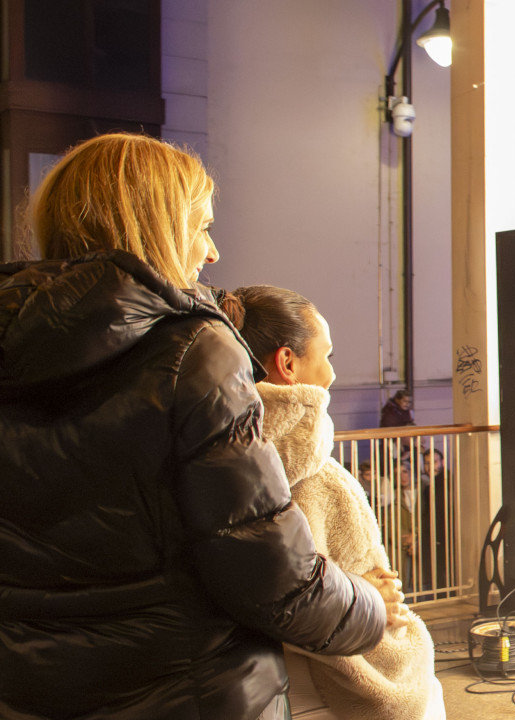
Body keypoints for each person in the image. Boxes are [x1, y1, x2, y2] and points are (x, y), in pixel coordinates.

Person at [0, 133, 399, 719]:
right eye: (201, 227)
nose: (211, 253)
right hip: (189, 694)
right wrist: (370, 605)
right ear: (155, 228)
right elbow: (273, 578)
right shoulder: (195, 352)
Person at [227, 285, 441, 720]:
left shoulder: (218, 452)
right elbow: (289, 595)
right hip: (328, 687)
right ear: (288, 363)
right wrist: (370, 598)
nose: (332, 373)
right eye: (327, 355)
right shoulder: (305, 472)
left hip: (251, 678)